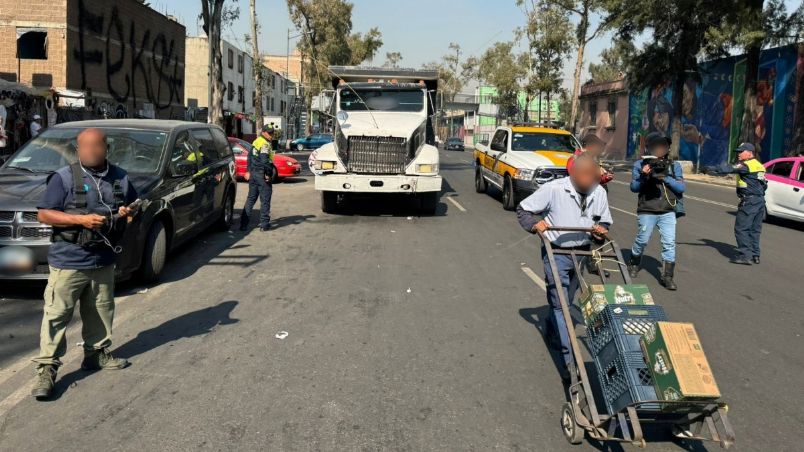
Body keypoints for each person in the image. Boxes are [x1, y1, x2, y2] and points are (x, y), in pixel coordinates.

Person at [32, 128, 138, 399]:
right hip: (69, 260)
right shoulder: (64, 178)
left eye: (95, 146)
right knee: (57, 315)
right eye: (83, 146)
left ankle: (96, 354)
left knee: (101, 309)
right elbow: (44, 214)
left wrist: (127, 213)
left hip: (103, 258)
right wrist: (81, 220)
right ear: (77, 149)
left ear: (106, 148)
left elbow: (131, 209)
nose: (89, 151)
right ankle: (47, 368)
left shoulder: (120, 177)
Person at [517, 154, 612, 379]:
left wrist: (600, 231)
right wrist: (534, 224)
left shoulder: (598, 192)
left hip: (582, 251)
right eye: (586, 175)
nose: (590, 180)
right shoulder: (554, 189)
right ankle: (570, 360)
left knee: (567, 301)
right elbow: (523, 209)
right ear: (573, 173)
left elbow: (604, 220)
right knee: (561, 305)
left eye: (593, 175)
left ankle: (552, 326)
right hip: (557, 251)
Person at [627, 132, 685, 290]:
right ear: (650, 148)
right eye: (657, 146)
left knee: (669, 243)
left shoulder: (674, 166)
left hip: (667, 210)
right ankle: (634, 262)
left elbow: (681, 187)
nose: (661, 149)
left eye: (664, 146)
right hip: (648, 209)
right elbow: (634, 188)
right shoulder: (640, 164)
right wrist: (643, 176)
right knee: (642, 239)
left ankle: (667, 276)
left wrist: (664, 177)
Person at [706, 143, 767, 265]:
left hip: (749, 201)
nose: (738, 154)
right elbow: (764, 185)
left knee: (741, 228)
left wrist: (711, 168)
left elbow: (728, 169)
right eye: (738, 151)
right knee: (755, 230)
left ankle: (745, 256)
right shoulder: (759, 165)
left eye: (741, 151)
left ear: (750, 153)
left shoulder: (746, 165)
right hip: (760, 201)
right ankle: (755, 255)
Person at [240, 124, 275, 232]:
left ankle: (243, 225)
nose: (271, 135)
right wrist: (268, 174)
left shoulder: (256, 141)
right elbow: (265, 161)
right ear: (263, 132)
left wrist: (249, 171)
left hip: (254, 174)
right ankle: (264, 225)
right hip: (261, 174)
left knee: (251, 199)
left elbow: (249, 157)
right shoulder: (264, 144)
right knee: (265, 200)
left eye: (272, 133)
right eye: (269, 133)